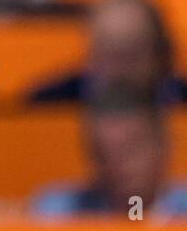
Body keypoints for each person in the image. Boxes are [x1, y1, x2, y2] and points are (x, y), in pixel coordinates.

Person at [31, 85, 187, 218]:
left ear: (163, 146)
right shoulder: (57, 212)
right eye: (104, 153)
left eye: (131, 149)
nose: (118, 163)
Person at [32, 0, 187, 104]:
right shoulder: (48, 105)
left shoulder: (182, 99)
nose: (119, 70)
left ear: (160, 57)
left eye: (131, 56)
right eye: (108, 55)